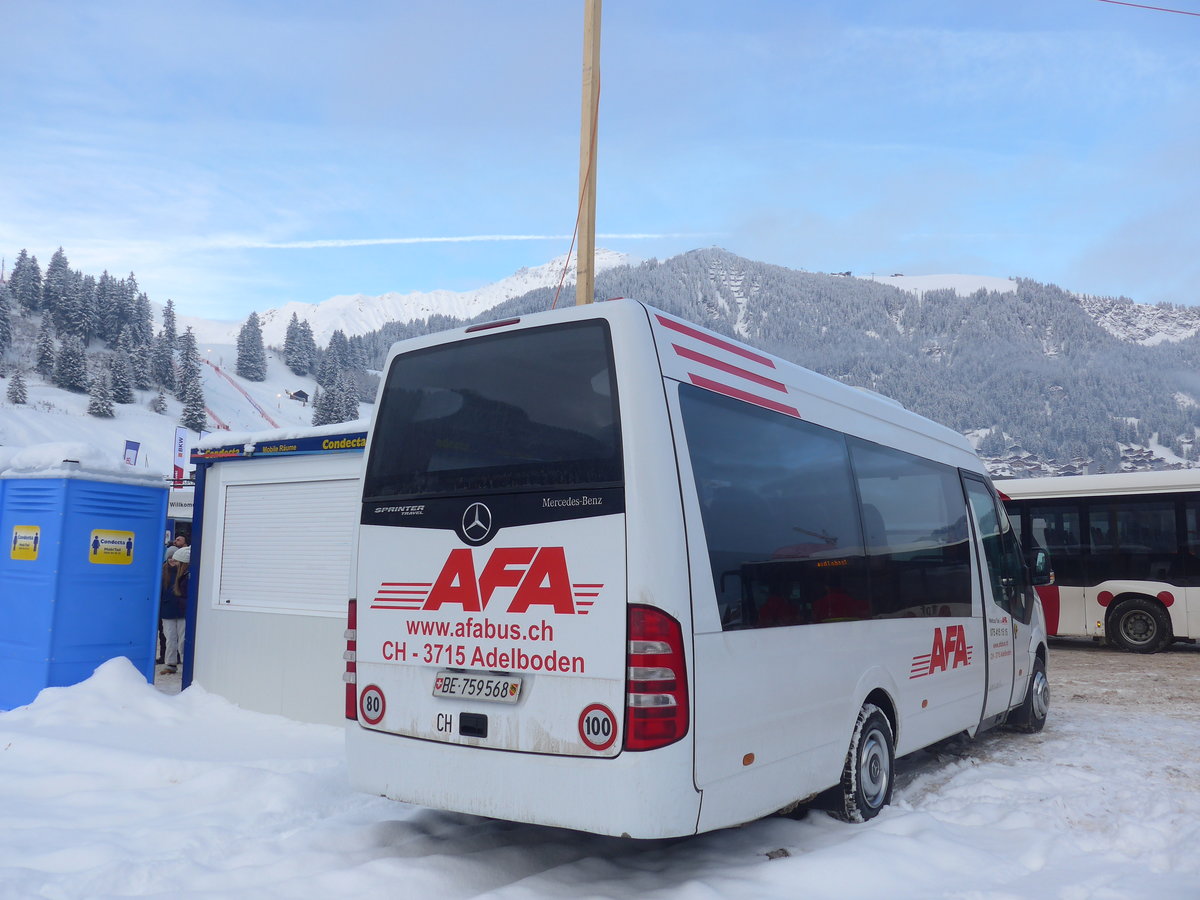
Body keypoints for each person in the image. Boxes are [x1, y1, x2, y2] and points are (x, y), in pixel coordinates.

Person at [159, 544, 190, 675]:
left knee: (183, 639)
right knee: (170, 638)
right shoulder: (162, 573)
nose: (172, 560)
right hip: (168, 611)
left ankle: (185, 663)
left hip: (182, 611)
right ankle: (170, 663)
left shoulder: (184, 573)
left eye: (174, 557)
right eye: (170, 557)